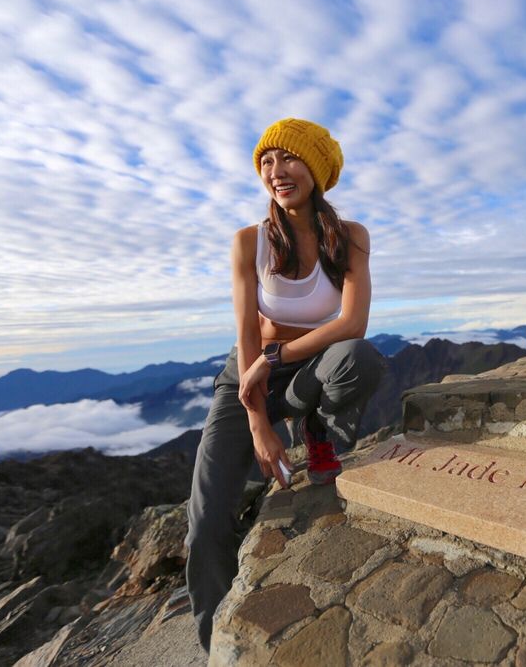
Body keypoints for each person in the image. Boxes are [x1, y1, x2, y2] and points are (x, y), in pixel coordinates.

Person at [184, 118, 385, 653]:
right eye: (266, 162)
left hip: (306, 367)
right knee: (204, 522)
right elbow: (247, 334)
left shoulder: (351, 239)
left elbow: (351, 325)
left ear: (315, 169)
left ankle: (317, 427)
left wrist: (278, 356)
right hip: (247, 376)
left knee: (360, 360)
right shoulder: (249, 243)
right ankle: (216, 650)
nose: (277, 171)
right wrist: (257, 422)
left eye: (289, 159)